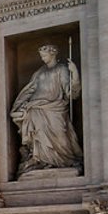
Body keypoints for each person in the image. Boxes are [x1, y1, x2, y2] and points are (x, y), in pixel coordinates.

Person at [11, 43, 84, 175]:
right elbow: (30, 89)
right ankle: (40, 160)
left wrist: (75, 74)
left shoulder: (61, 70)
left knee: (61, 136)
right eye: (41, 56)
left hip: (55, 109)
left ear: (53, 54)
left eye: (44, 55)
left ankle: (64, 160)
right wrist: (20, 105)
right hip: (35, 108)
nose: (42, 58)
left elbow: (71, 93)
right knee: (37, 135)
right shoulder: (39, 72)